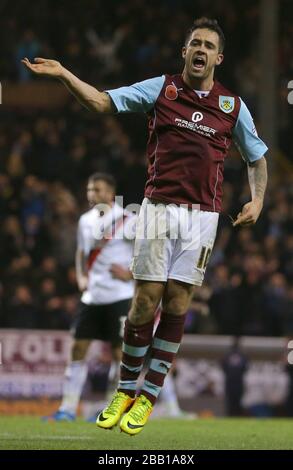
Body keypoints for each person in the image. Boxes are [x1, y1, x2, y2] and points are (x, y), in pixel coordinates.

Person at [22, 17, 268, 435]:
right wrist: (64, 74)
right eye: (195, 44)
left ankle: (148, 397)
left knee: (177, 302)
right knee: (144, 300)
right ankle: (124, 390)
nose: (201, 50)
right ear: (184, 51)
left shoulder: (232, 105)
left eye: (208, 45)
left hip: (202, 215)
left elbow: (256, 157)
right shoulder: (162, 88)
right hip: (157, 206)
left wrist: (258, 200)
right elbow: (101, 103)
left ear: (218, 57)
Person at [46, 172, 135, 421]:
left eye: (96, 190)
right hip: (92, 297)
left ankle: (110, 408)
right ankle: (67, 408)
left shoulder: (129, 220)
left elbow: (148, 253)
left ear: (110, 192)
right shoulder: (85, 220)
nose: (91, 195)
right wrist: (81, 276)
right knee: (77, 349)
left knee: (120, 355)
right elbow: (80, 252)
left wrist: (131, 274)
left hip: (120, 297)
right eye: (88, 190)